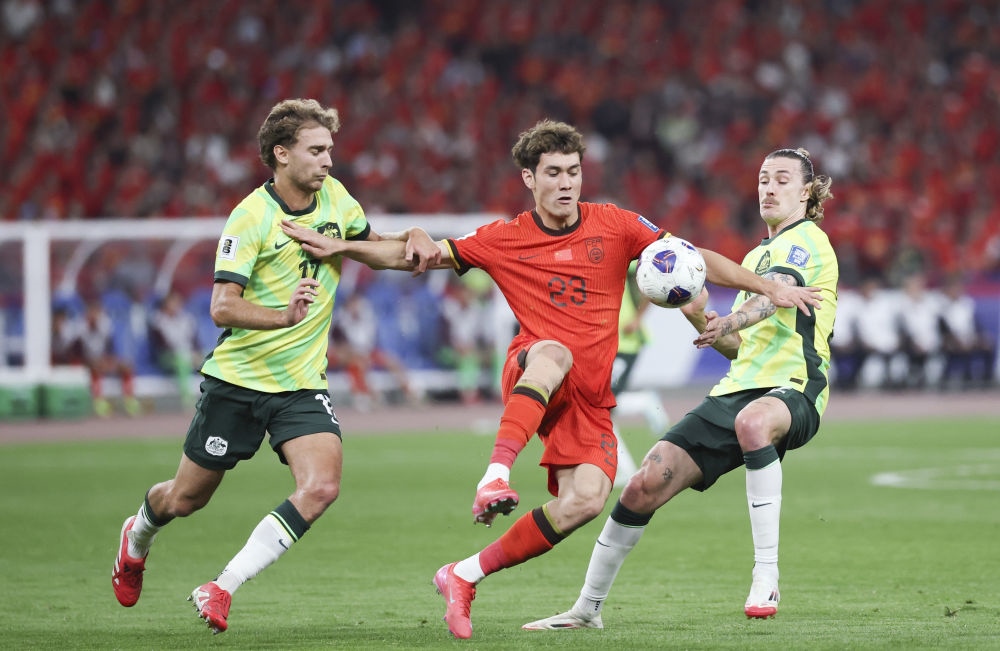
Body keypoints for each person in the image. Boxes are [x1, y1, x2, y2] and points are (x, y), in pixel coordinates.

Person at [279, 121, 822, 639]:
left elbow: (688, 256)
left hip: (589, 398)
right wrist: (344, 248)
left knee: (586, 501)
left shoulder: (616, 224)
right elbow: (411, 255)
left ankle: (463, 575)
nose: (566, 183)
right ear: (529, 178)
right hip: (535, 366)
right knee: (554, 352)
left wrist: (765, 287)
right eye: (554, 173)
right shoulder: (503, 237)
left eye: (573, 172)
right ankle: (494, 475)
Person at [110, 98, 440, 634]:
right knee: (185, 499)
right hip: (238, 382)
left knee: (322, 487)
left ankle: (221, 587)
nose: (328, 160)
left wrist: (415, 238)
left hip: (301, 384)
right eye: (316, 150)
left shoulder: (337, 198)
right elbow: (222, 306)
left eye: (330, 149)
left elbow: (373, 249)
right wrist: (282, 317)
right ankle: (138, 534)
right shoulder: (251, 217)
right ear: (282, 154)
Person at [521, 147, 837, 630]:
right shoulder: (754, 255)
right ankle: (586, 609)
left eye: (781, 180)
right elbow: (739, 350)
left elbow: (772, 298)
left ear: (806, 191)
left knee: (753, 422)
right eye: (763, 179)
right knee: (642, 484)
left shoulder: (808, 242)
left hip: (795, 386)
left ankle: (766, 574)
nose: (769, 189)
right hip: (740, 387)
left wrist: (733, 315)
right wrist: (701, 317)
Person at [148, 290, 203, 409]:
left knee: (210, 355)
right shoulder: (157, 320)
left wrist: (196, 353)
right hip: (166, 356)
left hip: (188, 353)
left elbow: (195, 341)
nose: (176, 305)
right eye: (172, 303)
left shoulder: (186, 318)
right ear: (165, 304)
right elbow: (161, 345)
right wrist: (186, 354)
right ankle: (187, 399)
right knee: (181, 360)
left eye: (178, 302)